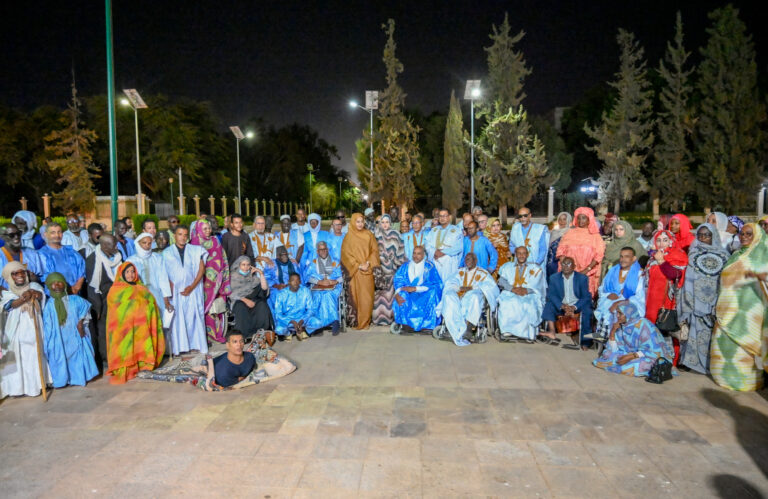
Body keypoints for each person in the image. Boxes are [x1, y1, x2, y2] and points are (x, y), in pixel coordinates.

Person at [710, 223, 768, 391]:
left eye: (749, 234)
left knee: (745, 352)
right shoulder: (735, 255)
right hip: (726, 309)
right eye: (742, 233)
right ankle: (724, 379)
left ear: (757, 236)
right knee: (725, 348)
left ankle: (747, 383)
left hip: (750, 313)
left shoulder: (762, 257)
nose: (744, 237)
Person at [678, 224, 729, 375]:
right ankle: (691, 363)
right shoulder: (692, 253)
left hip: (714, 302)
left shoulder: (725, 256)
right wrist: (688, 301)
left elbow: (724, 281)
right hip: (694, 301)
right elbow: (687, 279)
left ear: (713, 236)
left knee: (710, 335)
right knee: (693, 333)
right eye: (699, 235)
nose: (702, 238)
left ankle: (710, 364)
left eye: (706, 235)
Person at [105, 262, 164, 384]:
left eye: (133, 272)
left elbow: (151, 304)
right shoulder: (115, 291)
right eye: (127, 272)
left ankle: (142, 366)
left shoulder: (142, 289)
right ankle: (127, 369)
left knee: (141, 346)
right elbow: (114, 313)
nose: (131, 275)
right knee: (126, 349)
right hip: (123, 330)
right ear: (121, 273)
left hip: (140, 328)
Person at [0, 262, 48, 398]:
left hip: (34, 329)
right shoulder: (7, 293)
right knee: (20, 359)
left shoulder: (34, 286)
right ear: (9, 277)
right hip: (16, 333)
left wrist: (34, 293)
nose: (20, 275)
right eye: (15, 274)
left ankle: (36, 386)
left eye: (22, 272)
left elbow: (40, 295)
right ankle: (18, 388)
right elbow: (11, 305)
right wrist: (23, 298)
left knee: (34, 356)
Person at [42, 272, 98, 388]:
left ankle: (78, 378)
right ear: (48, 286)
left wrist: (80, 323)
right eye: (53, 284)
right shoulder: (49, 305)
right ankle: (63, 380)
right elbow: (47, 326)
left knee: (77, 357)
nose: (57, 286)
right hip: (59, 339)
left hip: (75, 335)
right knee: (61, 358)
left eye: (59, 283)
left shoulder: (74, 300)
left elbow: (85, 308)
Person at [593, 303, 674, 377]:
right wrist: (612, 332)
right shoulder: (620, 325)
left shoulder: (644, 325)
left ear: (629, 314)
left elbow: (654, 350)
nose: (617, 316)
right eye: (617, 313)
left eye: (620, 313)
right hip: (629, 354)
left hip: (650, 356)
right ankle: (622, 365)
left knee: (640, 365)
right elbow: (614, 349)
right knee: (607, 354)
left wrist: (632, 356)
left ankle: (624, 366)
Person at [436, 253, 499, 345]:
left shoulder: (483, 273)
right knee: (449, 296)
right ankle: (452, 328)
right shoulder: (460, 271)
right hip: (460, 296)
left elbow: (491, 287)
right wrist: (456, 288)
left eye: (469, 259)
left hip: (475, 298)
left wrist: (472, 288)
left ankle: (469, 329)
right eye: (466, 259)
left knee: (473, 296)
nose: (467, 261)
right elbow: (451, 282)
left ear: (475, 261)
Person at [163, 225, 207, 355]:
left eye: (185, 235)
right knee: (179, 320)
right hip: (176, 292)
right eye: (180, 234)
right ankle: (181, 347)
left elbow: (201, 269)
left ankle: (196, 344)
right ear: (175, 236)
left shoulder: (195, 250)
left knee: (194, 318)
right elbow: (166, 273)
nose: (183, 237)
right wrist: (169, 293)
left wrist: (192, 286)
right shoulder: (167, 253)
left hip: (193, 290)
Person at [190, 219, 231, 344]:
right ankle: (203, 336)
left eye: (209, 228)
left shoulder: (214, 240)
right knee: (204, 309)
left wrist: (223, 276)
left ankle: (217, 334)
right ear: (198, 230)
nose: (208, 231)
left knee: (216, 310)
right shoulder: (194, 243)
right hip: (201, 282)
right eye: (205, 229)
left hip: (216, 282)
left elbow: (222, 257)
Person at [85, 234, 122, 366]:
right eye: (114, 245)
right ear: (105, 246)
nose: (117, 247)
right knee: (104, 330)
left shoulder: (118, 256)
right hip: (102, 300)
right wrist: (97, 306)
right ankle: (106, 357)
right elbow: (92, 286)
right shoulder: (92, 260)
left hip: (118, 298)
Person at [594, 247, 645, 339]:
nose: (623, 259)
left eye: (627, 257)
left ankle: (617, 340)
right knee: (607, 305)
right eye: (621, 257)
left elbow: (640, 296)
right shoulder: (613, 270)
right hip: (609, 300)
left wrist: (620, 301)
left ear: (633, 258)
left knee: (617, 309)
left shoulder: (639, 274)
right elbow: (602, 288)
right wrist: (608, 294)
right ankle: (604, 338)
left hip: (629, 303)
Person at [497, 246, 546, 341]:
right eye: (519, 253)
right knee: (507, 303)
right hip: (511, 292)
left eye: (524, 253)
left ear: (527, 255)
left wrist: (527, 290)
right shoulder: (507, 266)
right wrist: (512, 289)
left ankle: (527, 333)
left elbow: (538, 283)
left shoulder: (535, 268)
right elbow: (501, 280)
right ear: (515, 255)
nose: (521, 256)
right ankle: (508, 331)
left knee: (528, 305)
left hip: (529, 293)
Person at [542, 256, 592, 349]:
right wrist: (562, 306)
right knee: (549, 305)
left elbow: (586, 296)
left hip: (576, 305)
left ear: (574, 266)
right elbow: (551, 295)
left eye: (569, 264)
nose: (566, 266)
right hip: (562, 305)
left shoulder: (582, 278)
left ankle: (585, 342)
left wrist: (574, 307)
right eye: (563, 264)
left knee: (587, 310)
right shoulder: (554, 277)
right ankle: (551, 331)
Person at [127, 233, 174, 332]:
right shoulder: (131, 261)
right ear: (138, 243)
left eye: (149, 243)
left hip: (157, 296)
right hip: (139, 297)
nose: (147, 246)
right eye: (144, 243)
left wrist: (166, 300)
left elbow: (163, 279)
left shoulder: (157, 258)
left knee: (158, 324)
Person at [391, 246, 442, 335]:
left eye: (418, 254)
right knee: (401, 294)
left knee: (433, 293)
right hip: (409, 294)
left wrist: (416, 288)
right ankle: (406, 325)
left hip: (424, 294)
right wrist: (397, 293)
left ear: (423, 255)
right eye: (414, 253)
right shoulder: (405, 266)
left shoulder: (429, 266)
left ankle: (427, 326)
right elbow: (398, 281)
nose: (416, 256)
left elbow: (436, 284)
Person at [341, 213, 379, 330]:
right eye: (357, 221)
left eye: (362, 221)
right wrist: (358, 266)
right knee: (356, 298)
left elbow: (375, 251)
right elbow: (345, 255)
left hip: (367, 270)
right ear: (353, 222)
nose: (360, 224)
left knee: (367, 297)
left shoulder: (369, 235)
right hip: (355, 272)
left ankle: (365, 322)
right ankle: (357, 322)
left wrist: (368, 263)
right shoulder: (348, 237)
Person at [556, 207, 605, 296]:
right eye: (578, 217)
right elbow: (561, 251)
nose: (580, 220)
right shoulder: (569, 233)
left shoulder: (595, 236)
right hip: (568, 271)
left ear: (589, 219)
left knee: (584, 299)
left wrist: (586, 270)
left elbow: (598, 256)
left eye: (583, 218)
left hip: (587, 273)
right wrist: (567, 268)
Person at [372, 214, 406, 326]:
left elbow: (401, 251)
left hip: (391, 270)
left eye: (387, 222)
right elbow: (372, 252)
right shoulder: (376, 235)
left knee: (390, 296)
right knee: (379, 296)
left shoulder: (396, 235)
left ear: (390, 223)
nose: (385, 224)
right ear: (380, 223)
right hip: (379, 271)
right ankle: (378, 319)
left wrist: (396, 263)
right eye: (383, 222)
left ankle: (390, 319)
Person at [303, 241, 343, 335]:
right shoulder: (313, 263)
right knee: (317, 296)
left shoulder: (335, 261)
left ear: (327, 250)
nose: (323, 251)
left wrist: (335, 281)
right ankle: (318, 325)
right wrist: (319, 282)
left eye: (325, 249)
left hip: (333, 287)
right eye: (321, 250)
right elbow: (307, 277)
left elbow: (343, 276)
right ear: (317, 251)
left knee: (328, 295)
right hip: (318, 287)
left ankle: (334, 321)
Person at [229, 256, 273, 339]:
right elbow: (231, 294)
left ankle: (260, 333)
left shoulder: (253, 277)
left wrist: (261, 274)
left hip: (253, 299)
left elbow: (264, 290)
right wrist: (246, 300)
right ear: (239, 265)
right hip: (239, 300)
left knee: (261, 305)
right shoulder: (233, 277)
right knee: (240, 307)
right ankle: (244, 335)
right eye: (243, 265)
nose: (246, 267)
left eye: (248, 265)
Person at [38, 223, 85, 294]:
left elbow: (82, 270)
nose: (57, 235)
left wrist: (77, 287)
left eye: (59, 232)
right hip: (54, 295)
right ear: (45, 234)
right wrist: (63, 290)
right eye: (53, 233)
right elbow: (44, 278)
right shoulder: (41, 254)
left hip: (75, 294)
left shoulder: (72, 252)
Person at [0, 223, 46, 288]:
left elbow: (43, 276)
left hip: (32, 294)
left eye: (18, 233)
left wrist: (36, 279)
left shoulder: (32, 254)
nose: (17, 237)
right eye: (11, 235)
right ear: (2, 237)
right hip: (7, 296)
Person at [426, 208, 463, 283]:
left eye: (444, 216)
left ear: (449, 217)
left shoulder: (456, 230)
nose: (442, 218)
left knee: (448, 286)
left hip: (449, 264)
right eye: (440, 216)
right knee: (435, 285)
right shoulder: (433, 230)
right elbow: (427, 244)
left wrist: (443, 252)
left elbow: (459, 247)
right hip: (435, 261)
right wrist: (434, 252)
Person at [274, 273, 315, 341]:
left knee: (317, 323)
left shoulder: (305, 291)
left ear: (300, 282)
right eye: (293, 280)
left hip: (302, 318)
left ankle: (303, 330)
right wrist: (291, 321)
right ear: (289, 282)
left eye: (297, 280)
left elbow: (310, 309)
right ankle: (289, 333)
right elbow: (278, 314)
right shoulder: (281, 294)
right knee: (279, 330)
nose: (295, 283)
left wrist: (302, 320)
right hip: (288, 320)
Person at [266, 245, 300, 313]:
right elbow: (266, 278)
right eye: (282, 255)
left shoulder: (292, 263)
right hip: (277, 288)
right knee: (277, 296)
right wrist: (276, 285)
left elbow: (300, 277)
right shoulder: (272, 264)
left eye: (286, 255)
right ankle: (280, 319)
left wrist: (291, 285)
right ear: (278, 256)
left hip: (293, 286)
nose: (285, 257)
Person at [546, 212, 572, 277]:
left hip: (562, 261)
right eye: (560, 219)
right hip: (550, 260)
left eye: (564, 219)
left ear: (568, 220)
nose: (561, 221)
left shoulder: (570, 233)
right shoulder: (553, 232)